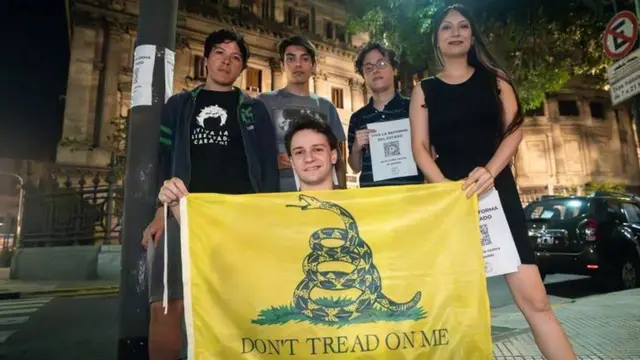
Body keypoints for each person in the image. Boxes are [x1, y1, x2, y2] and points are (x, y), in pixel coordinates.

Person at [408, 5, 576, 360]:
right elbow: (421, 151)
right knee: (456, 309)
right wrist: (450, 192)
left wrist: (489, 172)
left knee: (536, 301)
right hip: (450, 202)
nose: (455, 32)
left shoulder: (495, 80)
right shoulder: (424, 90)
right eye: (446, 27)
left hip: (498, 193)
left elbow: (514, 131)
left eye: (463, 25)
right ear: (437, 38)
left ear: (471, 35)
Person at [149, 29, 279, 360]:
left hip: (240, 218)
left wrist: (268, 220)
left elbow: (267, 167)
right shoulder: (179, 105)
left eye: (236, 57)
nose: (227, 61)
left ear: (242, 68)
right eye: (220, 53)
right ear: (206, 58)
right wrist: (159, 213)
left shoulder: (255, 109)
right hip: (184, 213)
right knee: (168, 302)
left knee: (239, 302)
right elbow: (163, 159)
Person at [258, 35, 347, 191]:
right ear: (282, 65)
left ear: (313, 66)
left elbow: (338, 157)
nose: (298, 64)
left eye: (304, 59)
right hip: (275, 195)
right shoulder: (264, 102)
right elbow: (251, 149)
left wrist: (341, 190)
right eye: (291, 59)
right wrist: (271, 161)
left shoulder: (327, 107)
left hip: (321, 196)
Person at [348, 42, 424, 187]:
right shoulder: (357, 118)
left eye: (381, 63)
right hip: (374, 200)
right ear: (363, 75)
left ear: (394, 69)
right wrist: (356, 147)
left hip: (412, 196)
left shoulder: (414, 107)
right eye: (368, 68)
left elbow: (430, 153)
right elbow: (355, 167)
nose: (375, 70)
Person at [284, 113, 339, 192]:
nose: (309, 159)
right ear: (292, 162)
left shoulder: (359, 203)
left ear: (333, 156)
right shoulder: (275, 204)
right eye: (299, 152)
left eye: (317, 150)